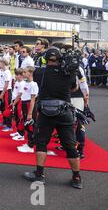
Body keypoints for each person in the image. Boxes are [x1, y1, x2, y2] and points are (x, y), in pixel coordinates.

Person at [24, 47, 82, 189]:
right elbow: (74, 88)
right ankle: (76, 177)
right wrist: (72, 72)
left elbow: (36, 79)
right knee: (70, 145)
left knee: (41, 143)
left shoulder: (39, 72)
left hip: (45, 112)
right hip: (65, 112)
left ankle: (40, 174)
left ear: (45, 59)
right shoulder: (67, 72)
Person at [16, 66, 39, 154]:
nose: (23, 74)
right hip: (24, 104)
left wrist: (30, 113)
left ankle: (30, 146)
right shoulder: (26, 83)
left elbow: (33, 99)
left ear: (30, 73)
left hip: (30, 105)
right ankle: (28, 143)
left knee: (30, 126)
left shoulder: (34, 84)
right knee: (26, 125)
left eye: (25, 72)